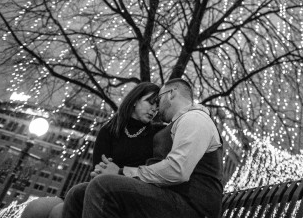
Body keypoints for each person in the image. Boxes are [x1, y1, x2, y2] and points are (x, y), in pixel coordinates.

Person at [61, 78, 224, 218]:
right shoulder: (177, 124)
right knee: (78, 193)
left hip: (192, 207)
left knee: (102, 186)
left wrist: (121, 172)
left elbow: (177, 170)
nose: (157, 108)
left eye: (159, 100)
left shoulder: (194, 119)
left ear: (171, 94)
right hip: (169, 196)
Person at [22, 82, 161, 218]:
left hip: (126, 193)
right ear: (135, 100)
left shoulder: (157, 134)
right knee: (35, 208)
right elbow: (99, 169)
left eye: (158, 105)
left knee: (58, 213)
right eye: (151, 102)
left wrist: (118, 171)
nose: (154, 109)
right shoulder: (110, 130)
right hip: (95, 187)